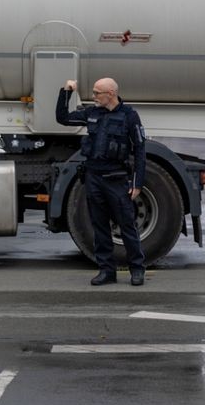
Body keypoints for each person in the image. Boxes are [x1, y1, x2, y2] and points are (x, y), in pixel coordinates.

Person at [56, 77, 148, 286]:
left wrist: (137, 183)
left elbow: (140, 150)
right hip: (94, 178)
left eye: (98, 93)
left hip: (116, 179)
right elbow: (62, 118)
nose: (94, 96)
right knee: (99, 227)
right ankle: (107, 270)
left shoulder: (129, 116)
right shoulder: (92, 113)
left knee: (127, 226)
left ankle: (137, 269)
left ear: (111, 94)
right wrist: (66, 91)